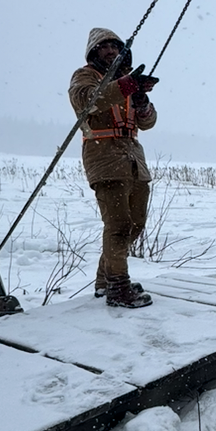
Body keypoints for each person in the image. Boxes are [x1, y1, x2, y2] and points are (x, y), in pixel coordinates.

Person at [68, 28, 157, 307]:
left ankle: (106, 281)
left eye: (115, 46)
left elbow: (148, 123)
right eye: (104, 47)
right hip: (105, 158)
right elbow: (88, 101)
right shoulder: (84, 77)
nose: (110, 51)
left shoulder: (125, 82)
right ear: (93, 53)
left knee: (135, 225)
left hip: (133, 160)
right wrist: (128, 86)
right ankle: (118, 287)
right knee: (117, 225)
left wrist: (142, 103)